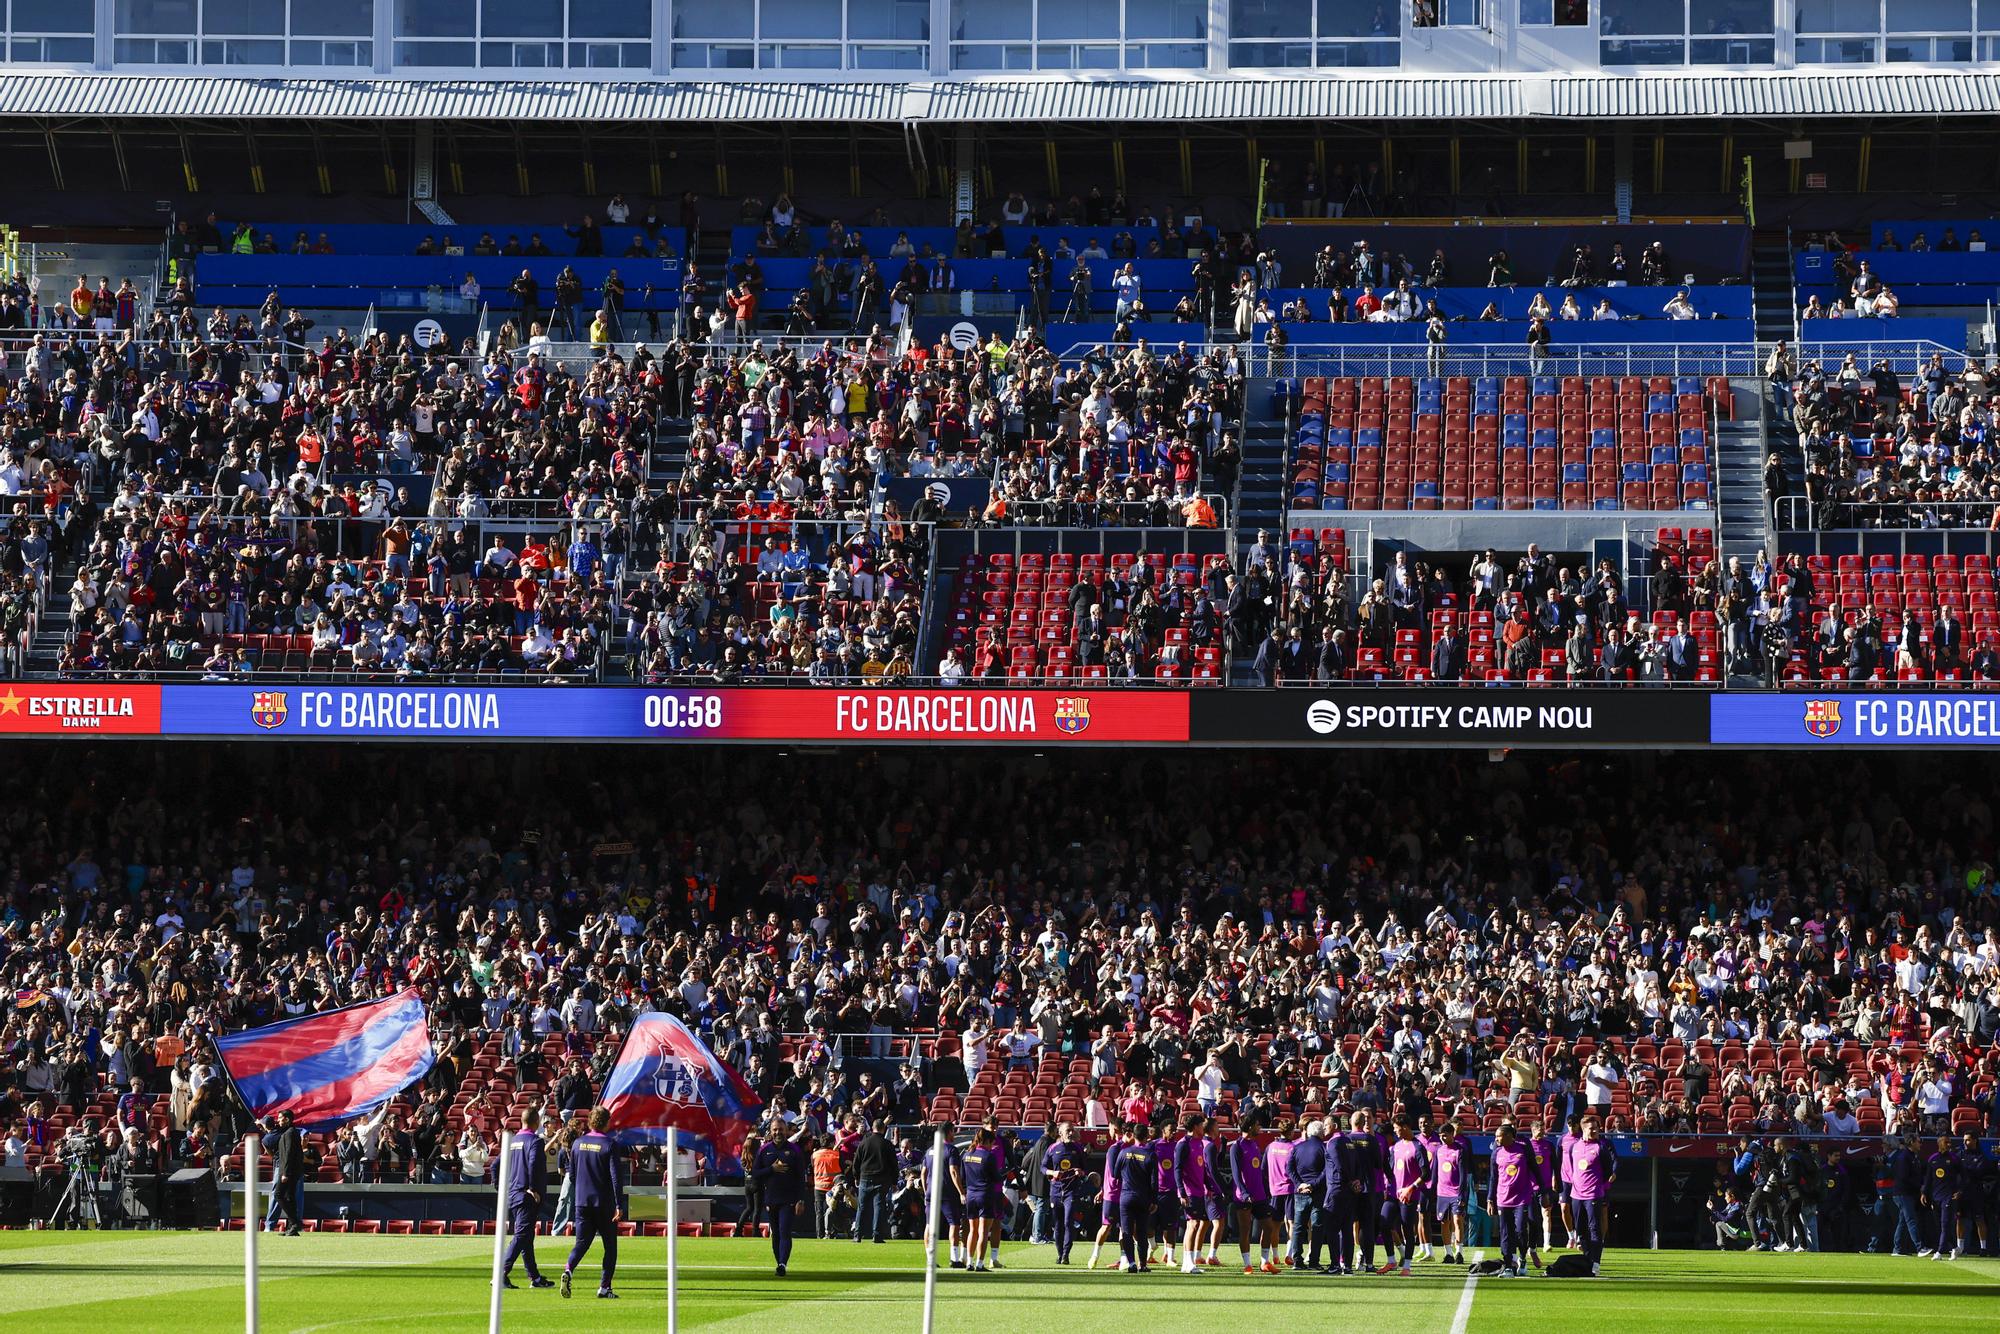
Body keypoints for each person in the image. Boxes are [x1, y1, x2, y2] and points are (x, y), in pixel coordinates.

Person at [560, 1107, 625, 1299]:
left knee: (581, 1243)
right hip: (603, 1204)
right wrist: (619, 1204)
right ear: (606, 1122)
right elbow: (616, 1177)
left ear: (590, 1122)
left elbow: (571, 1175)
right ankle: (605, 1288)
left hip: (582, 1202)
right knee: (610, 1247)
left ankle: (569, 1269)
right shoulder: (609, 1144)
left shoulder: (578, 1143)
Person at [499, 1107, 555, 1289]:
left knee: (527, 1237)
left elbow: (495, 1165)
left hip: (513, 1194)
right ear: (536, 1122)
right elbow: (533, 1163)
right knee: (522, 1235)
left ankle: (535, 1277)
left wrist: (500, 1187)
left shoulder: (513, 1141)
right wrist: (532, 1188)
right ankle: (501, 1272)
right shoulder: (535, 1142)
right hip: (526, 1196)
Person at [754, 1123, 810, 1276]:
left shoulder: (794, 1150)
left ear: (786, 1131)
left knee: (785, 1230)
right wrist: (771, 1169)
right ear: (771, 1131)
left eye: (781, 1129)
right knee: (776, 1233)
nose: (778, 1132)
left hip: (789, 1198)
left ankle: (783, 1264)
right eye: (775, 1130)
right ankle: (779, 1263)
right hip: (771, 1199)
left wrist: (801, 1200)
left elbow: (800, 1177)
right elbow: (755, 1173)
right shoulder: (764, 1150)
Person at [1566, 1113, 1615, 1275]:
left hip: (1593, 1194)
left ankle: (1596, 1263)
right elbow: (1572, 1168)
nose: (1594, 1130)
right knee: (1579, 1230)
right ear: (1583, 1129)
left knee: (1594, 1228)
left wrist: (1597, 1186)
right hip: (1576, 1194)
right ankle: (1587, 1258)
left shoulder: (1600, 1147)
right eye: (1591, 1128)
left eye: (1596, 1128)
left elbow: (1608, 1170)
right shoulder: (1575, 1146)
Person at [1488, 1120, 1537, 1276]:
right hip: (1503, 1198)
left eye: (1499, 1136)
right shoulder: (1496, 1153)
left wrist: (1543, 1190)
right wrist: (1490, 1199)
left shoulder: (1523, 1150)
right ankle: (1508, 1265)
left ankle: (1522, 1257)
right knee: (1505, 1232)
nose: (1496, 1139)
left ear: (1509, 1136)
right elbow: (1493, 1178)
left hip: (1522, 1197)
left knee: (1521, 1230)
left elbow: (1535, 1169)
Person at [956, 1126, 1005, 1272]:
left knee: (972, 1230)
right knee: (983, 1232)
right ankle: (979, 1263)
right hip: (985, 1195)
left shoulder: (967, 1154)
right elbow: (996, 1178)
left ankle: (969, 1262)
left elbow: (963, 1177)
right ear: (988, 1141)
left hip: (970, 1195)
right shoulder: (989, 1156)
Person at [1114, 1120, 1158, 1274]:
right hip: (1142, 1197)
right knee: (1141, 1231)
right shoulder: (1150, 1155)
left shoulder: (1123, 1152)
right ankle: (1143, 1264)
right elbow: (1154, 1181)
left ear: (1133, 1135)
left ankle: (1131, 1263)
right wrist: (1154, 1200)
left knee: (1126, 1230)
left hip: (1125, 1196)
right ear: (1146, 1136)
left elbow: (1115, 1174)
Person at [852, 1117, 898, 1243]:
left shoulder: (864, 1143)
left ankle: (857, 1235)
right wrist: (894, 1182)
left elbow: (856, 1162)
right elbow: (894, 1165)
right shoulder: (887, 1144)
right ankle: (877, 1235)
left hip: (865, 1178)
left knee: (862, 1207)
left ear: (872, 1128)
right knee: (879, 1206)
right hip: (882, 1180)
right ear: (883, 1129)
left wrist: (856, 1177)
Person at [1045, 1122, 1084, 1264]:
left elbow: (1084, 1168)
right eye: (1068, 1130)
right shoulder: (1052, 1148)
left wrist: (1080, 1172)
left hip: (1071, 1191)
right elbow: (1043, 1167)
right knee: (1058, 1224)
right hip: (1055, 1190)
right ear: (1060, 1132)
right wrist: (1052, 1172)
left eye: (1072, 1130)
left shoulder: (1078, 1148)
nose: (1071, 1133)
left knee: (1068, 1222)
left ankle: (1066, 1254)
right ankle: (1059, 1253)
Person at [260, 1111, 304, 1237]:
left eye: (280, 1118)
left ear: (287, 1119)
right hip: (292, 1170)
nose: (278, 1120)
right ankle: (292, 1227)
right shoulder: (289, 1132)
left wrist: (285, 1172)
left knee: (279, 1194)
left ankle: (295, 1223)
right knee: (290, 1197)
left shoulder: (289, 1133)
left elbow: (288, 1154)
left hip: (288, 1170)